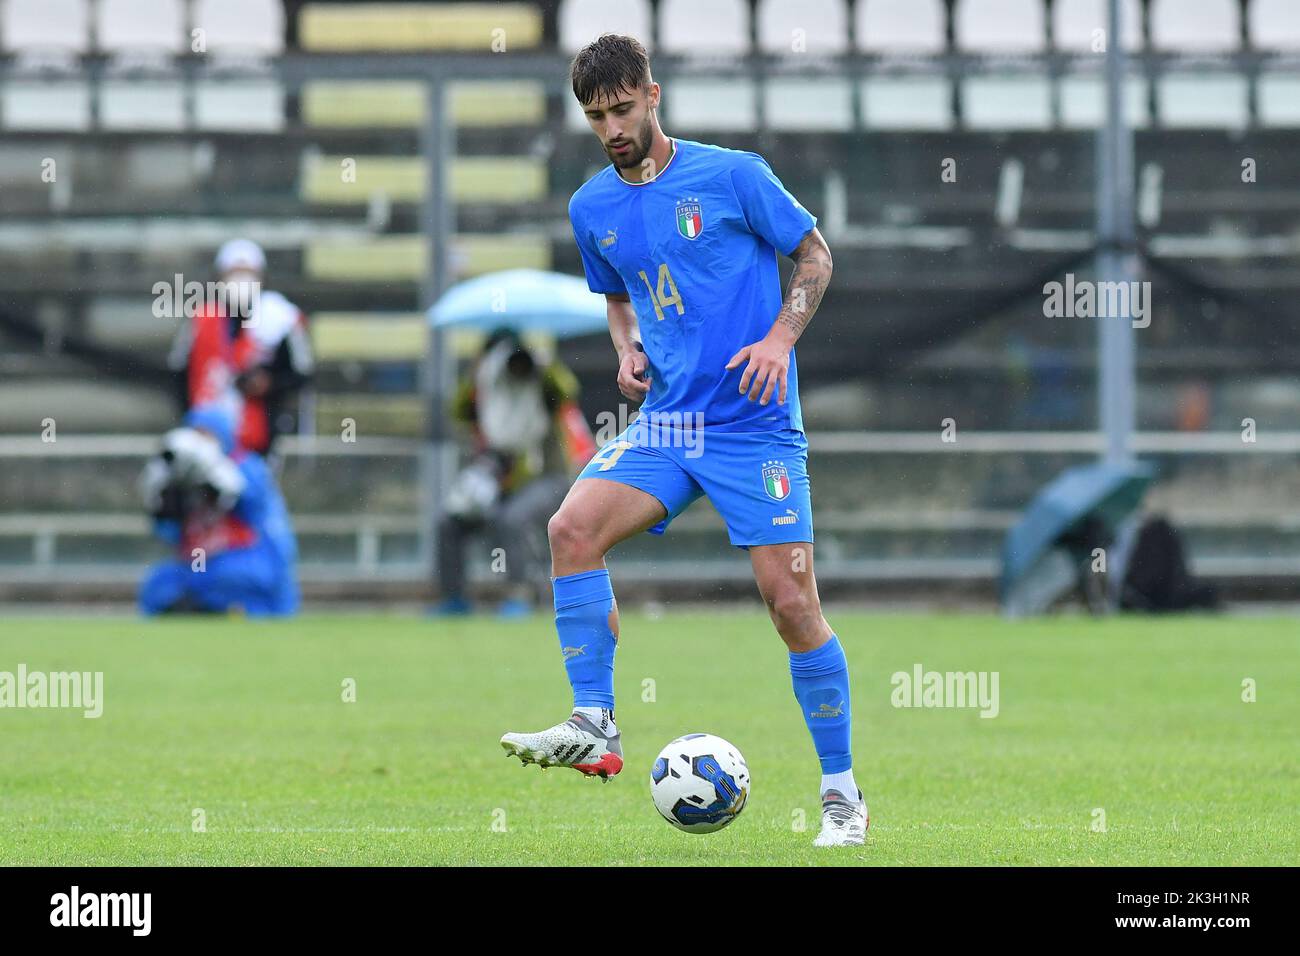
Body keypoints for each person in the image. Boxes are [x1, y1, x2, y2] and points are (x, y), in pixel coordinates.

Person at [499, 35, 863, 847]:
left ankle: (842, 799)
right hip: (669, 423)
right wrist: (626, 346)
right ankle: (594, 724)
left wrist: (779, 339)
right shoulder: (591, 206)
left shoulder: (733, 175)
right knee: (570, 530)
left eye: (623, 109)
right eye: (596, 116)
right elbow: (619, 297)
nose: (612, 127)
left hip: (754, 427)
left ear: (653, 95)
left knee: (793, 603)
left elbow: (814, 253)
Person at [433, 328, 595, 617]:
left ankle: (519, 595)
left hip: (549, 479)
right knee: (449, 523)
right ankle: (454, 599)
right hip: (498, 481)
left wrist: (545, 365)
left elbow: (569, 391)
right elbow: (457, 410)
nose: (513, 367)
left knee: (510, 519)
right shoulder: (487, 390)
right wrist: (477, 373)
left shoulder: (544, 387)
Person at [138, 405, 299, 617]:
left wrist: (218, 481)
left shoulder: (247, 466)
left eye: (207, 434)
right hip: (198, 561)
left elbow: (261, 516)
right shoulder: (182, 474)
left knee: (234, 579)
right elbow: (169, 532)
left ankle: (222, 608)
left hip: (241, 557)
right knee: (157, 587)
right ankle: (201, 607)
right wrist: (165, 501)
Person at [168, 238, 313, 456]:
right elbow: (179, 373)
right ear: (220, 277)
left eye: (248, 272)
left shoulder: (281, 319)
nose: (241, 280)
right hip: (205, 439)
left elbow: (301, 374)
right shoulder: (200, 319)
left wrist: (269, 383)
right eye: (233, 272)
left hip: (258, 440)